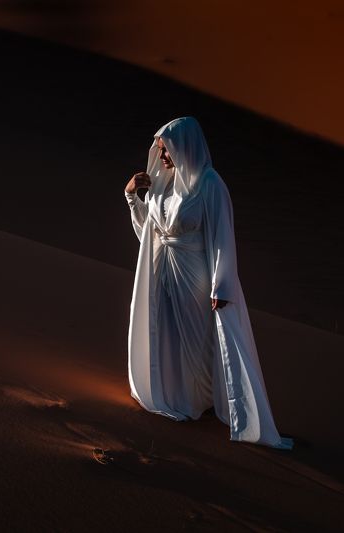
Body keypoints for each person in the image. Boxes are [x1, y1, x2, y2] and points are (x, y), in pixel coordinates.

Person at [123, 116, 294, 450]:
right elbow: (150, 232)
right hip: (164, 274)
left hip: (195, 276)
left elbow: (222, 236)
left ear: (185, 145)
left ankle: (200, 403)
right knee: (169, 337)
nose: (162, 156)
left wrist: (222, 284)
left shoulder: (210, 184)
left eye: (167, 148)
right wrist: (133, 197)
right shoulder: (164, 182)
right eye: (159, 149)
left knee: (199, 342)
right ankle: (177, 398)